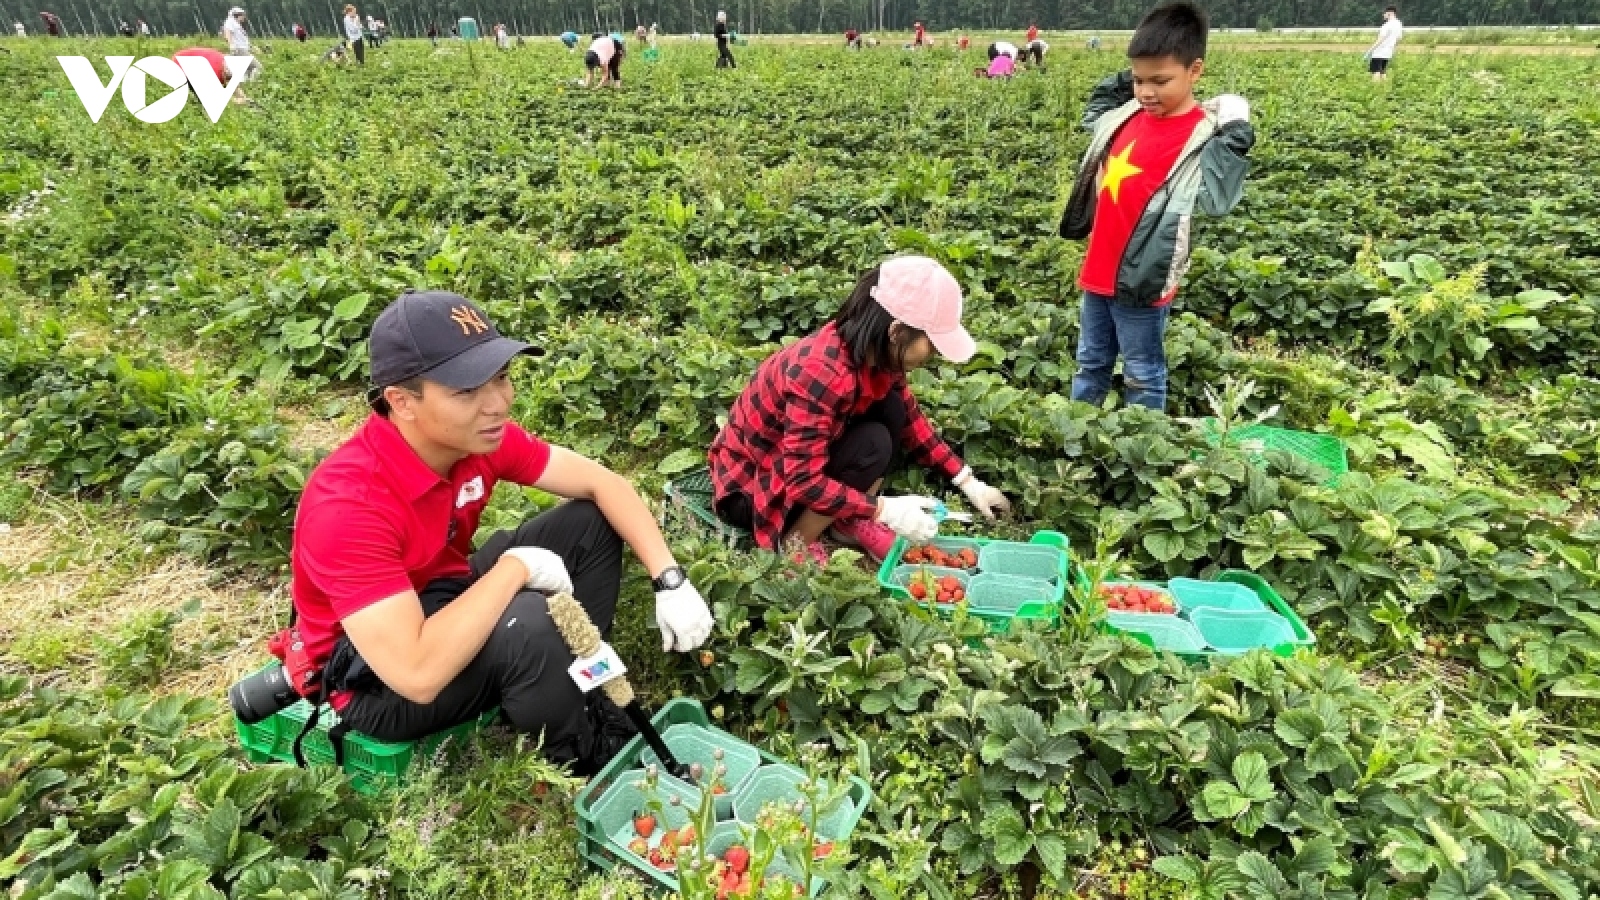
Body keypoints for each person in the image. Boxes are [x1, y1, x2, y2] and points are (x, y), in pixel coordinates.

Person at [286, 290, 714, 776]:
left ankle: (576, 678)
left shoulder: (475, 439)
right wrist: (515, 568)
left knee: (587, 524)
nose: (498, 404)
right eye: (466, 392)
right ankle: (587, 756)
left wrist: (670, 581)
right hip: (371, 680)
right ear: (402, 401)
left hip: (438, 594)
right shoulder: (348, 507)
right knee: (528, 622)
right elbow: (417, 674)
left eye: (502, 378)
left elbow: (603, 483)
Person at [709, 257, 1012, 564]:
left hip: (795, 465)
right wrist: (884, 509)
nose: (933, 356)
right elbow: (802, 481)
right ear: (896, 332)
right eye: (931, 345)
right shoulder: (820, 372)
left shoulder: (875, 355)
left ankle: (846, 520)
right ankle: (796, 544)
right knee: (872, 444)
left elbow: (910, 419)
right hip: (754, 489)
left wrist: (968, 482)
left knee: (893, 411)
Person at [1059, 1, 1254, 412]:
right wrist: (1132, 77)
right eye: (1138, 79)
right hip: (1099, 269)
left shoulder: (1204, 136)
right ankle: (1077, 433)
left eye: (1160, 81)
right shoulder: (1124, 116)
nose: (1147, 92)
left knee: (1142, 371)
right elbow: (1095, 109)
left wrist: (1236, 132)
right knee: (1090, 362)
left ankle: (1144, 450)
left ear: (1195, 70)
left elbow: (1217, 200)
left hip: (1145, 277)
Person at [1366, 5, 1403, 81]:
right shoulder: (1398, 24)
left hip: (1379, 51)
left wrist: (1370, 50)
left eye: (1384, 13)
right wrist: (1392, 48)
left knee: (1376, 71)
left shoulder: (1387, 25)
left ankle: (1375, 88)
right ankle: (1385, 88)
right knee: (1382, 71)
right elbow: (1399, 38)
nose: (1383, 15)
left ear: (1390, 13)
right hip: (1388, 51)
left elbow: (1381, 39)